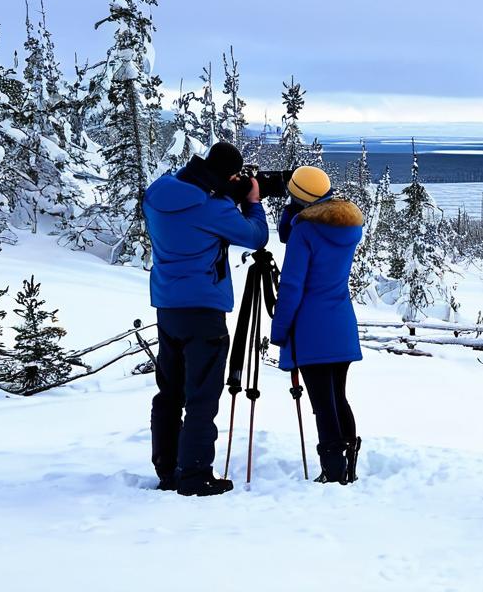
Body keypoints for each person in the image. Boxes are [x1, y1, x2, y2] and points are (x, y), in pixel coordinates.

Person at [143, 142, 268, 496]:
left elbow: (190, 200)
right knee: (202, 393)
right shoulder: (212, 208)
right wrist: (251, 202)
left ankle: (167, 468)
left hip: (168, 306)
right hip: (204, 309)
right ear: (227, 177)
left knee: (170, 391)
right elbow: (255, 237)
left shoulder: (157, 194)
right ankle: (195, 474)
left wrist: (223, 191)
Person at [270, 166, 364, 484]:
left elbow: (292, 287)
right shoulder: (344, 226)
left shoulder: (306, 232)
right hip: (341, 322)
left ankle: (334, 471)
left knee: (323, 403)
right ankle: (348, 461)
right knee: (338, 397)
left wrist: (279, 330)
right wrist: (294, 209)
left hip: (311, 328)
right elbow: (289, 231)